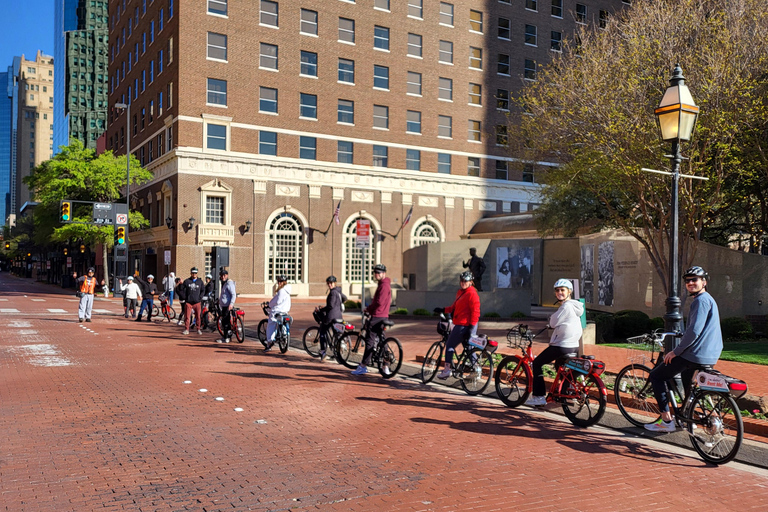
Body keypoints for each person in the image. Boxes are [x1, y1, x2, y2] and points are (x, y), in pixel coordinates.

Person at [645, 266, 723, 432]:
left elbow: (694, 331)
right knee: (689, 385)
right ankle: (690, 418)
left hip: (694, 354)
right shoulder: (709, 299)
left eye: (695, 279)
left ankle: (666, 421)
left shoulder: (700, 301)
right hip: (710, 354)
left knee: (657, 376)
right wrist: (684, 334)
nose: (691, 283)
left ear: (704, 282)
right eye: (688, 280)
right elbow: (699, 329)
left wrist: (676, 351)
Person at [525, 279, 583, 406]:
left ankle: (539, 397)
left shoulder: (566, 306)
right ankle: (567, 391)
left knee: (537, 363)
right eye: (557, 290)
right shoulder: (574, 306)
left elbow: (553, 322)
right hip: (573, 345)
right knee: (559, 366)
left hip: (562, 345)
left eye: (562, 290)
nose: (559, 293)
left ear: (570, 291)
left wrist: (551, 324)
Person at [437, 271, 481, 379]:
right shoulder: (461, 292)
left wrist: (470, 328)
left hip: (465, 325)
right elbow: (454, 307)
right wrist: (443, 309)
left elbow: (476, 312)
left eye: (465, 281)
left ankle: (447, 370)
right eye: (461, 281)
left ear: (471, 282)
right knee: (469, 347)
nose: (463, 283)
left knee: (450, 345)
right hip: (465, 324)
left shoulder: (472, 294)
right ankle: (476, 370)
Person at [352, 264, 391, 375]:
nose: (376, 274)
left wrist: (368, 309)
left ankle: (363, 366)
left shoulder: (383, 286)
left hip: (378, 316)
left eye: (378, 272)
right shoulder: (384, 284)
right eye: (375, 272)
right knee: (382, 340)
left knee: (370, 340)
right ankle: (385, 365)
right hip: (383, 315)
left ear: (384, 273)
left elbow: (379, 302)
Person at [315, 275, 347, 362]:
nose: (329, 285)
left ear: (335, 283)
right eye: (328, 283)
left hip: (331, 317)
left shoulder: (332, 292)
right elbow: (345, 298)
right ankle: (338, 353)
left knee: (322, 331)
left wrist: (322, 308)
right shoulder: (338, 291)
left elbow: (330, 306)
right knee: (337, 334)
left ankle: (323, 352)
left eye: (331, 283)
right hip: (339, 316)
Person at [265, 275, 291, 351]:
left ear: (284, 282)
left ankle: (269, 343)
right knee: (283, 325)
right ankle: (285, 339)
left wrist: (269, 304)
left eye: (281, 281)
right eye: (278, 281)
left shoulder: (281, 291)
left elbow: (277, 301)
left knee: (271, 324)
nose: (279, 283)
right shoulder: (288, 290)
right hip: (285, 311)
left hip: (277, 311)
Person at [179, 267, 205, 335]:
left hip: (197, 302)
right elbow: (181, 290)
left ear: (197, 273)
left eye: (195, 273)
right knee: (187, 317)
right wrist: (185, 297)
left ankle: (198, 329)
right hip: (189, 302)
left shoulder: (200, 281)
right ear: (190, 273)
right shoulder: (187, 281)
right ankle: (186, 329)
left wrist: (200, 297)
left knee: (198, 316)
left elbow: (203, 290)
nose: (194, 274)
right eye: (193, 273)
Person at [217, 269, 237, 343]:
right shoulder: (224, 283)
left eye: (224, 275)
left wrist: (231, 304)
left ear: (227, 275)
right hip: (224, 305)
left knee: (225, 322)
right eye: (221, 275)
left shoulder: (229, 283)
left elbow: (233, 294)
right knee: (225, 321)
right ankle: (227, 336)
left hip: (227, 305)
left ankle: (226, 338)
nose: (222, 277)